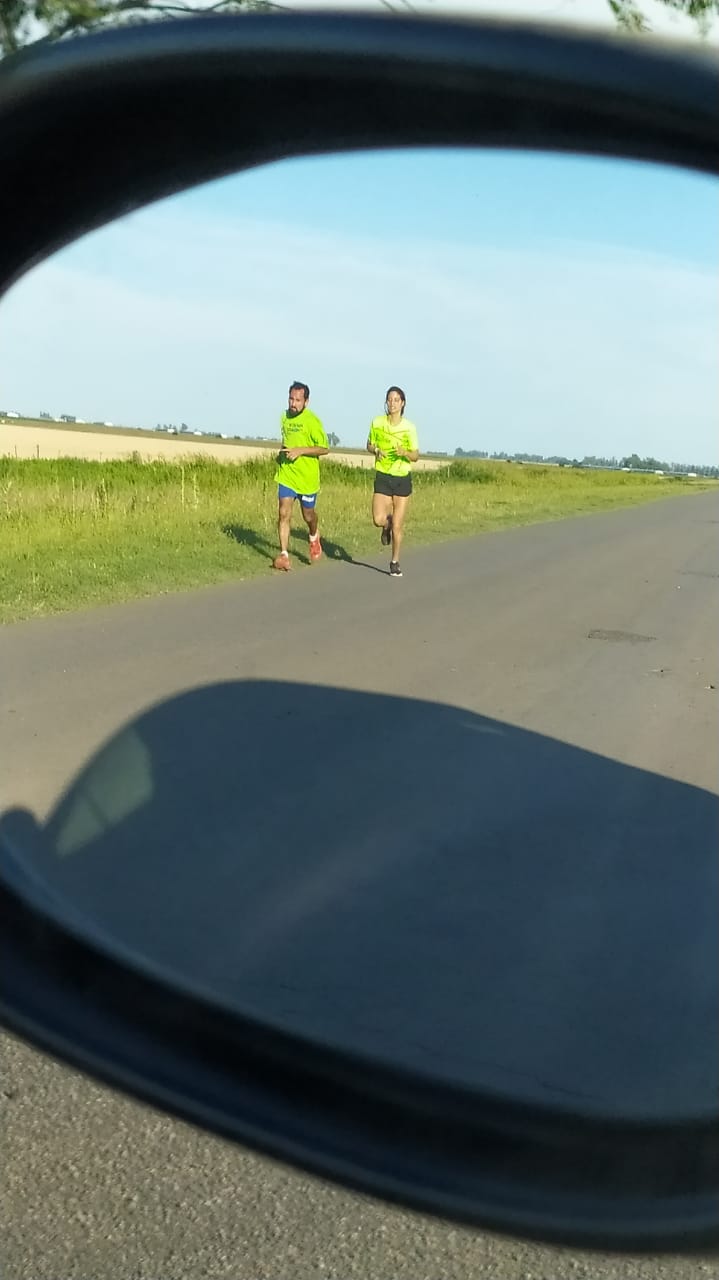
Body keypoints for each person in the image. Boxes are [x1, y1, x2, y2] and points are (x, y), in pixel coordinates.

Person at [273, 380, 329, 571]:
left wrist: (300, 451)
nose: (293, 403)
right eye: (291, 399)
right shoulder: (284, 417)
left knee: (308, 515)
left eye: (298, 400)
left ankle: (313, 536)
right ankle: (284, 555)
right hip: (287, 474)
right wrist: (281, 453)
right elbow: (287, 442)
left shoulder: (312, 421)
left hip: (307, 479)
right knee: (283, 513)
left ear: (306, 401)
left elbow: (324, 448)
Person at [366, 385, 420, 578]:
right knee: (378, 519)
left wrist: (404, 452)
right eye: (389, 399)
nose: (392, 403)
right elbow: (369, 444)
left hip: (402, 478)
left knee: (398, 525)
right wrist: (375, 450)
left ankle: (395, 561)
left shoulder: (409, 427)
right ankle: (385, 525)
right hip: (383, 475)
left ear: (403, 403)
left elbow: (415, 455)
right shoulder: (377, 422)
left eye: (396, 400)